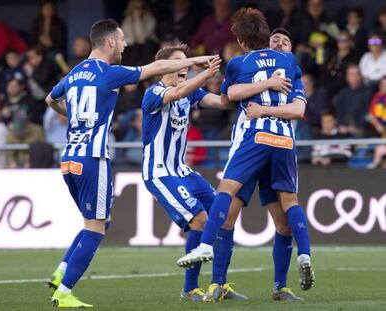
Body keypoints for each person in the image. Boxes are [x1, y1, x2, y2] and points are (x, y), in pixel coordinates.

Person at [45, 18, 217, 308]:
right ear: (110, 41)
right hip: (93, 157)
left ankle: (61, 269)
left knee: (97, 222)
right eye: (122, 40)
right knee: (95, 229)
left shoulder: (73, 74)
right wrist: (197, 60)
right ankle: (63, 292)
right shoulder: (110, 73)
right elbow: (157, 68)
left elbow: (51, 100)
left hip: (69, 157)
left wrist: (74, 115)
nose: (125, 44)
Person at [177, 8, 315, 296]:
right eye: (276, 39)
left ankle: (207, 250)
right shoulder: (290, 62)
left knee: (226, 197)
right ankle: (296, 264)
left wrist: (198, 92)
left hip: (252, 138)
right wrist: (269, 84)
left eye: (284, 41)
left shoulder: (239, 64)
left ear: (240, 41)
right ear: (267, 36)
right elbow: (298, 108)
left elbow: (228, 98)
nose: (280, 44)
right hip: (282, 143)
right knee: (284, 212)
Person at [142, 43, 248, 302]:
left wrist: (239, 83)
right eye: (179, 63)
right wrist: (205, 73)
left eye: (186, 63)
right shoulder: (154, 92)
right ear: (165, 67)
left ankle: (219, 284)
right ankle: (190, 289)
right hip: (160, 172)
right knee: (200, 220)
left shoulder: (190, 92)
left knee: (223, 216)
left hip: (183, 171)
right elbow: (177, 93)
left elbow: (222, 102)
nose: (185, 67)